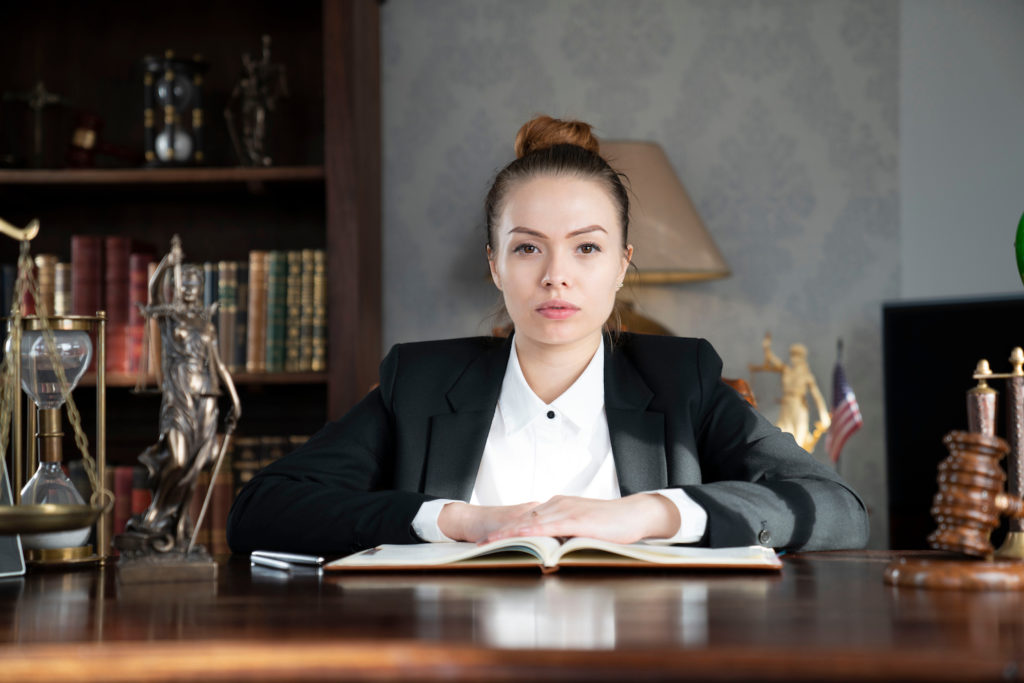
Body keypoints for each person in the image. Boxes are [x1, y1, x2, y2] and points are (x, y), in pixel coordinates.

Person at [227, 116, 869, 556]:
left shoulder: (684, 380)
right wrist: (459, 520)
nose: (556, 276)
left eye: (586, 247)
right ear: (494, 265)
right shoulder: (418, 383)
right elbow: (260, 510)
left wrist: (649, 514)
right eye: (528, 247)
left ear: (622, 264)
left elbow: (836, 508)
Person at [124, 237, 241, 553]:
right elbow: (151, 293)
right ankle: (155, 515)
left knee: (194, 466)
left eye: (194, 283)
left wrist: (235, 398)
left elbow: (217, 366)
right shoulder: (169, 314)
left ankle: (177, 524)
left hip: (205, 398)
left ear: (201, 287)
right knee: (175, 458)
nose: (189, 288)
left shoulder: (205, 323)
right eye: (184, 282)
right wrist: (167, 263)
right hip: (177, 396)